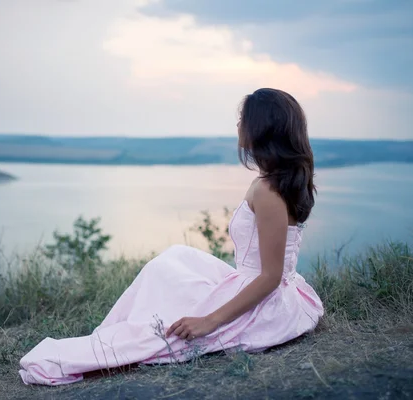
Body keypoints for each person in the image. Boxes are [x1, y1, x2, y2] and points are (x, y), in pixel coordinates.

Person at [19, 88, 324, 386]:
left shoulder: (269, 191)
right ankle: (118, 331)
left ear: (261, 128)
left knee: (164, 317)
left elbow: (270, 277)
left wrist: (210, 321)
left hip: (264, 301)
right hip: (255, 284)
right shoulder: (272, 184)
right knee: (175, 260)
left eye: (243, 118)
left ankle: (105, 344)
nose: (237, 125)